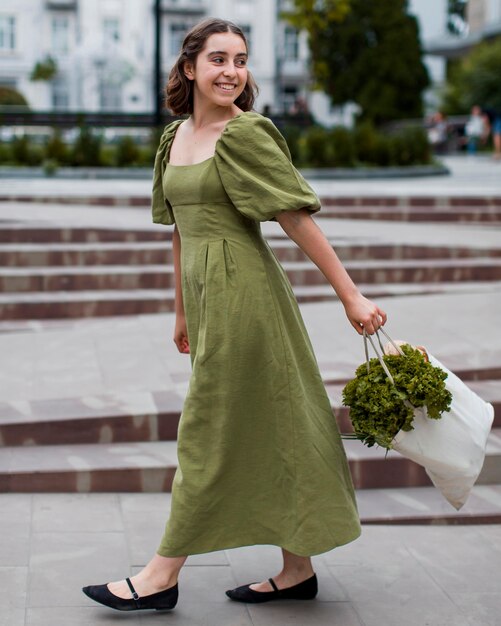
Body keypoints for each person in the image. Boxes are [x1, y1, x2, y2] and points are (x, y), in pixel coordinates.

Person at [82, 17, 386, 613]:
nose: (232, 71)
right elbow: (178, 232)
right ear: (190, 68)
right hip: (206, 296)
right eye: (218, 59)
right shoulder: (175, 139)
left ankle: (160, 575)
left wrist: (351, 296)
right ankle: (296, 569)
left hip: (247, 296)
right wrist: (181, 313)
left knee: (208, 430)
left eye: (240, 60)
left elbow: (295, 219)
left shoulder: (246, 134)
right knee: (271, 421)